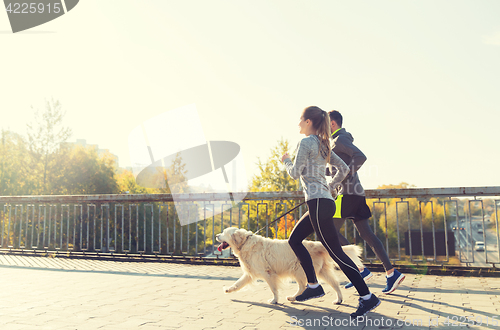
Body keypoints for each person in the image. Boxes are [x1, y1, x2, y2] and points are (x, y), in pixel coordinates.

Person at [282, 106, 380, 318]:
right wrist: (331, 186)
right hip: (323, 201)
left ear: (308, 122)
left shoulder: (306, 142)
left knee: (335, 251)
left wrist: (286, 160)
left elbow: (294, 173)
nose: (298, 123)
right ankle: (313, 285)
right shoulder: (323, 143)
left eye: (300, 119)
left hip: (318, 203)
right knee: (295, 239)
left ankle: (367, 297)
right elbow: (344, 168)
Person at [327, 110, 405, 294]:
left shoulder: (339, 140)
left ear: (332, 124)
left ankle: (360, 270)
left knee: (330, 231)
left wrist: (347, 173)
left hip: (347, 194)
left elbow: (360, 156)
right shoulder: (336, 141)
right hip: (355, 193)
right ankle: (391, 273)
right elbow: (337, 169)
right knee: (367, 234)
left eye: (325, 123)